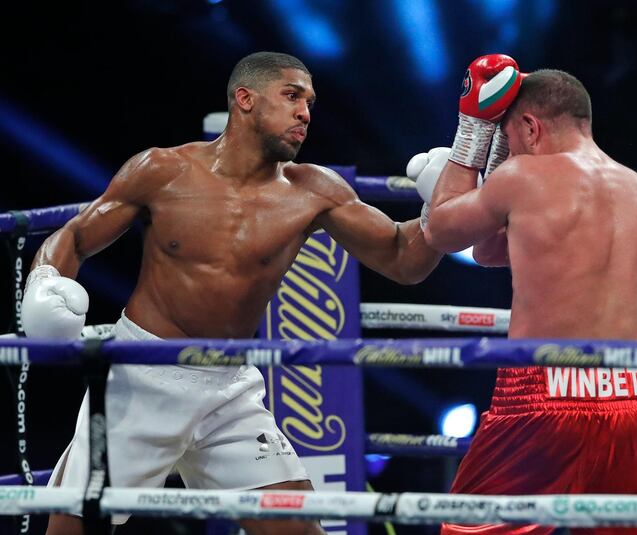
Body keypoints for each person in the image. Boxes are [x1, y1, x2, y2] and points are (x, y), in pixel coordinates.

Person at [21, 51, 443, 535]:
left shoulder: (314, 191)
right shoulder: (163, 170)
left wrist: (435, 213)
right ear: (245, 99)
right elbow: (73, 237)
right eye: (291, 97)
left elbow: (404, 260)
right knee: (73, 529)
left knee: (298, 530)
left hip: (229, 385)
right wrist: (44, 283)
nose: (305, 112)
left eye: (309, 101)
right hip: (143, 375)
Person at [411, 56, 637, 535]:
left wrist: (474, 132)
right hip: (634, 398)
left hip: (544, 393)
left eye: (511, 139)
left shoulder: (524, 179)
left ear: (531, 127)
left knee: (469, 531)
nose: (511, 151)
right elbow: (491, 250)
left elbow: (440, 231)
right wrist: (502, 158)